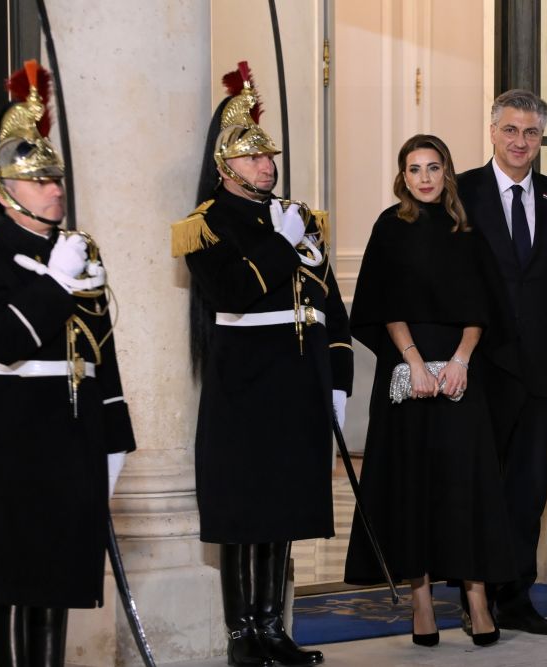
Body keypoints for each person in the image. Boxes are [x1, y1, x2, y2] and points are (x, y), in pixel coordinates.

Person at [171, 61, 352, 667]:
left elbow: (330, 308)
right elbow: (232, 294)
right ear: (225, 167)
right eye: (252, 158)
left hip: (300, 386)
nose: (267, 165)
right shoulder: (205, 226)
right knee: (244, 513)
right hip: (245, 388)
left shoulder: (301, 218)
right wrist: (281, 241)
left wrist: (339, 383)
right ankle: (242, 636)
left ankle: (274, 629)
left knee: (284, 510)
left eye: (269, 156)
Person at [0, 60, 136, 667]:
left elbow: (101, 350)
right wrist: (54, 282)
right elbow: (2, 340)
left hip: (73, 429)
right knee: (9, 573)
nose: (55, 189)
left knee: (60, 571)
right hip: (9, 430)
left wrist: (116, 436)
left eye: (56, 179)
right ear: (4, 189)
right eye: (39, 181)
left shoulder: (76, 250)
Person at [344, 134, 513, 648]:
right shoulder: (389, 227)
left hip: (462, 373)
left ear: (447, 173)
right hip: (407, 374)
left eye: (433, 167)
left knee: (467, 485)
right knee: (411, 486)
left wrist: (461, 360)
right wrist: (414, 362)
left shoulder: (468, 229)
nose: (424, 178)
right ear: (403, 176)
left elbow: (483, 306)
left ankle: (477, 598)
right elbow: (382, 302)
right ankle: (421, 602)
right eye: (414, 169)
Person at [457, 89, 547, 636]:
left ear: (542, 139)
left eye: (531, 132)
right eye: (510, 130)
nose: (520, 141)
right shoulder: (461, 191)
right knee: (477, 487)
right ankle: (475, 599)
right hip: (478, 368)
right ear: (492, 132)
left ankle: (516, 598)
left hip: (540, 373)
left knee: (529, 492)